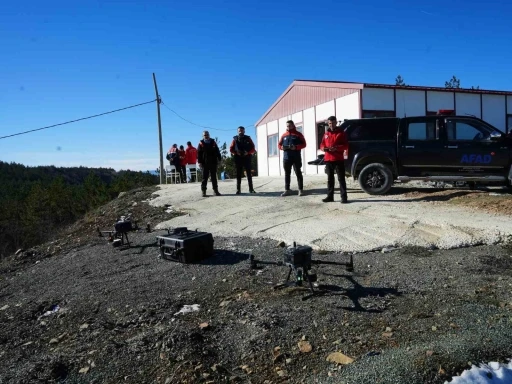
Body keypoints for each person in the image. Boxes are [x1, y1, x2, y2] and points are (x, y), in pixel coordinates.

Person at [320, 116, 348, 204]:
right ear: (328, 123)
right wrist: (324, 148)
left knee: (341, 179)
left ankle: (344, 197)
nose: (331, 125)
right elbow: (321, 145)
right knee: (330, 179)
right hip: (328, 159)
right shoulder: (326, 134)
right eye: (329, 123)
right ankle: (330, 196)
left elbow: (346, 146)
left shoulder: (341, 133)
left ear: (336, 123)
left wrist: (336, 148)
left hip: (338, 159)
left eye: (333, 123)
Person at [278, 120, 307, 196]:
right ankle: (287, 190)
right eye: (287, 126)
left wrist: (296, 147)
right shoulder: (284, 135)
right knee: (287, 174)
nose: (288, 127)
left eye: (290, 125)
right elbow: (279, 145)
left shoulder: (298, 134)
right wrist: (281, 147)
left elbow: (304, 144)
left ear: (293, 125)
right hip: (286, 158)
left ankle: (300, 190)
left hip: (296, 157)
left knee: (298, 173)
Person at [230, 126, 256, 194]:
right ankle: (238, 190)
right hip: (238, 158)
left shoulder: (248, 138)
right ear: (237, 131)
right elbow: (231, 149)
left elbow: (253, 148)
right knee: (238, 175)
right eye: (239, 130)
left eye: (242, 130)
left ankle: (251, 189)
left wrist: (248, 152)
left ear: (244, 131)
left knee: (249, 174)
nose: (240, 131)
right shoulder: (234, 139)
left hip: (247, 157)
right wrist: (236, 152)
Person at [197, 130, 222, 197]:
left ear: (209, 135)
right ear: (203, 136)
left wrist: (219, 159)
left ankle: (215, 190)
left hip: (213, 162)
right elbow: (199, 154)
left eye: (207, 134)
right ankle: (204, 191)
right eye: (205, 135)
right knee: (204, 178)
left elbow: (217, 151)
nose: (206, 136)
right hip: (204, 163)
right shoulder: (201, 143)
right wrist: (199, 162)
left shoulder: (213, 142)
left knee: (214, 177)